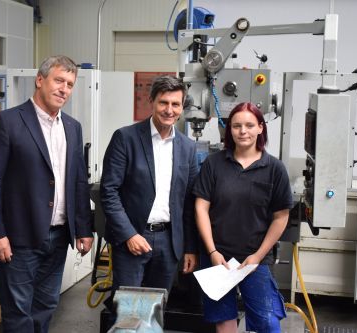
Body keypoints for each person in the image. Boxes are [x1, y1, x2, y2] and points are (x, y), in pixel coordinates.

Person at [0, 55, 94, 333]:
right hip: (19, 238)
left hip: (59, 237)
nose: (64, 89)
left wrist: (83, 228)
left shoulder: (72, 126)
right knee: (19, 313)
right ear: (40, 80)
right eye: (59, 80)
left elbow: (79, 181)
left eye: (70, 84)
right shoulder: (7, 122)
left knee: (46, 307)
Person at [194, 102, 294, 333]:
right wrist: (212, 252)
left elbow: (281, 216)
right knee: (223, 319)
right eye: (236, 126)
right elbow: (201, 208)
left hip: (254, 259)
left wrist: (258, 256)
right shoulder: (214, 164)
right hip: (217, 257)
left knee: (267, 322)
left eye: (249, 125)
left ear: (260, 128)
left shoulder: (274, 168)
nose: (243, 131)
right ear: (229, 130)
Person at [100, 75, 198, 305]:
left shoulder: (187, 147)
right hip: (133, 238)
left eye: (175, 104)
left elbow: (189, 202)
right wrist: (129, 235)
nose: (169, 110)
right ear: (152, 101)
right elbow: (109, 191)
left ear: (182, 107)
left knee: (155, 311)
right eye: (163, 102)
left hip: (169, 242)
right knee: (128, 312)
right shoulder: (126, 138)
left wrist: (190, 248)